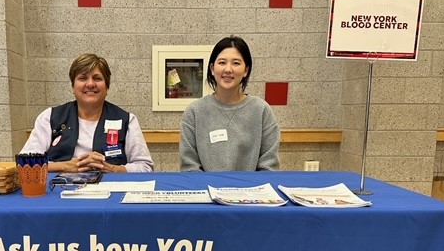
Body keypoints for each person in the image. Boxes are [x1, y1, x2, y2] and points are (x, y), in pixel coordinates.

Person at [21, 53, 154, 173]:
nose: (90, 84)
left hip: (110, 192)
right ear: (73, 86)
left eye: (97, 78)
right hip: (57, 192)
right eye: (83, 78)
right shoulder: (49, 117)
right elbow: (26, 163)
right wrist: (67, 166)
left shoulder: (126, 120)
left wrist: (113, 169)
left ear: (107, 87)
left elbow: (145, 167)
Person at [179, 36, 280, 172]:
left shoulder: (261, 111)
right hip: (207, 190)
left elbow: (269, 166)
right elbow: (189, 166)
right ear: (212, 69)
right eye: (222, 62)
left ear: (246, 70)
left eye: (236, 63)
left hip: (251, 191)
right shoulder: (194, 112)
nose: (228, 69)